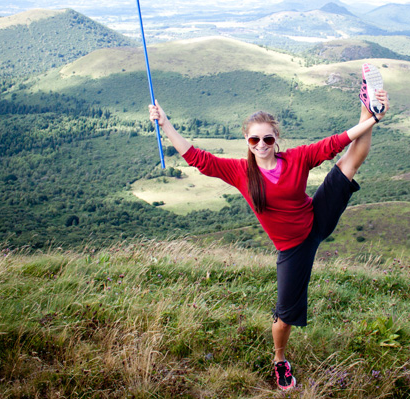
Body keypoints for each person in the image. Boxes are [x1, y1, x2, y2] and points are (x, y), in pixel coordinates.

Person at [148, 64, 389, 390]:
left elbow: (335, 142)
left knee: (350, 160)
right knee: (285, 315)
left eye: (267, 138)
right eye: (254, 139)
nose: (261, 144)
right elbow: (196, 158)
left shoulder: (297, 158)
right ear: (246, 141)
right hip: (293, 247)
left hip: (315, 217)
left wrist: (372, 117)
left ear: (277, 139)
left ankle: (366, 103)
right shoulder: (240, 173)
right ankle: (279, 359)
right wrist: (165, 124)